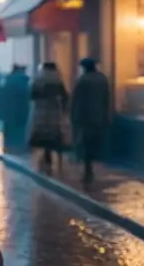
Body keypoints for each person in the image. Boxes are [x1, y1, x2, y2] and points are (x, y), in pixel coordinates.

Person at [71, 57, 111, 185]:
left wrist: (73, 116)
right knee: (95, 143)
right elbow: (107, 99)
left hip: (85, 118)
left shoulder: (83, 80)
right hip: (99, 117)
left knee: (85, 144)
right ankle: (92, 168)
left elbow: (76, 100)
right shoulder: (102, 79)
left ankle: (88, 170)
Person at [29, 61, 69, 172]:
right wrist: (64, 110)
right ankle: (51, 153)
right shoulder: (58, 80)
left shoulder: (37, 79)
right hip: (54, 111)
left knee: (42, 133)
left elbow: (32, 95)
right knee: (53, 132)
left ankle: (46, 155)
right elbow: (65, 96)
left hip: (40, 111)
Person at [2, 64, 30, 150]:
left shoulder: (8, 80)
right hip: (23, 109)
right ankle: (21, 146)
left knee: (10, 129)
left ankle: (9, 146)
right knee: (21, 128)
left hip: (9, 110)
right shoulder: (26, 80)